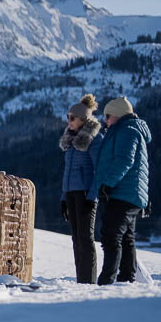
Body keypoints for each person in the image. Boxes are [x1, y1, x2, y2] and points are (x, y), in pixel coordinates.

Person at [87, 96, 151, 285]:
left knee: (111, 235)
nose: (105, 120)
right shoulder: (123, 130)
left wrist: (108, 183)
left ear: (117, 115)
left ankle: (108, 280)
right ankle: (126, 278)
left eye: (108, 116)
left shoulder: (128, 131)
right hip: (127, 193)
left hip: (123, 192)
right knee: (125, 237)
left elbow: (124, 160)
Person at [59, 94, 104, 283]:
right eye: (68, 117)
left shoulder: (94, 139)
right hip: (71, 193)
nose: (68, 121)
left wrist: (92, 197)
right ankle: (81, 280)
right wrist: (63, 198)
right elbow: (67, 171)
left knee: (86, 239)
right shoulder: (71, 140)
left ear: (83, 120)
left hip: (85, 194)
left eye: (72, 118)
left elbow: (98, 171)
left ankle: (89, 281)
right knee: (76, 239)